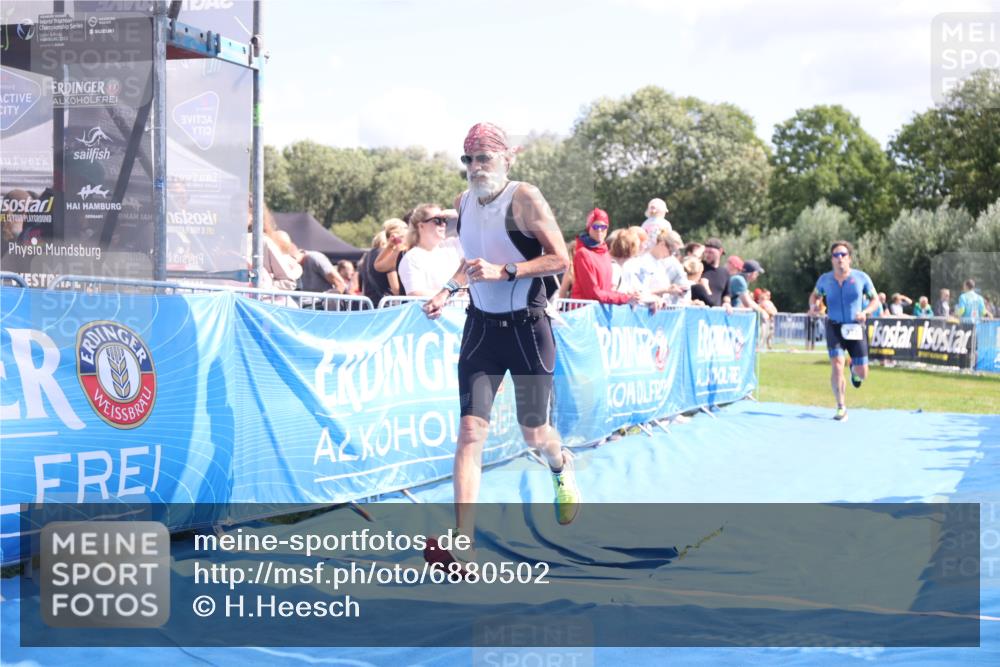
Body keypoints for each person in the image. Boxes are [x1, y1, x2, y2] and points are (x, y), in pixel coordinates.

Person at [421, 122, 579, 566]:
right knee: (470, 431)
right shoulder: (462, 203)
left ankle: (559, 462)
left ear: (508, 157)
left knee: (534, 433)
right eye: (468, 159)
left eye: (483, 158)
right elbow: (469, 263)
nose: (474, 167)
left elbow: (560, 259)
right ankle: (463, 542)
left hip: (529, 329)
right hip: (482, 330)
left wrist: (506, 272)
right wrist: (447, 291)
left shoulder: (524, 197)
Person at [808, 241, 880, 422]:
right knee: (836, 365)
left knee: (863, 373)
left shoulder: (861, 277)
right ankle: (841, 406)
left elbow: (875, 301)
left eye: (843, 255)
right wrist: (813, 306)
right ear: (832, 259)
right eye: (836, 255)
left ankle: (854, 370)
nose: (839, 258)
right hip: (834, 326)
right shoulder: (825, 279)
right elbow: (815, 295)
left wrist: (865, 312)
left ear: (849, 258)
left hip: (856, 327)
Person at [571, 208, 639, 305]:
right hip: (584, 313)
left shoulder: (605, 253)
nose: (599, 230)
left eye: (603, 227)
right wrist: (624, 299)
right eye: (595, 226)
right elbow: (593, 293)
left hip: (600, 311)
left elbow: (607, 290)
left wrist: (631, 296)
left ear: (607, 229)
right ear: (589, 228)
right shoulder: (582, 254)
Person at [395, 204, 463, 296]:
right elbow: (416, 293)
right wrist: (455, 295)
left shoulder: (451, 246)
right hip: (434, 310)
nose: (443, 224)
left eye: (445, 220)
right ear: (421, 226)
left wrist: (456, 213)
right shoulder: (412, 257)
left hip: (459, 309)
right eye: (437, 220)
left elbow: (477, 226)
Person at [700, 238, 733, 311]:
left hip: (716, 314)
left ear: (720, 251)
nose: (707, 255)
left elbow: (726, 294)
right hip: (699, 311)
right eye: (706, 252)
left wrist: (726, 303)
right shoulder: (700, 267)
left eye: (711, 252)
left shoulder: (725, 272)